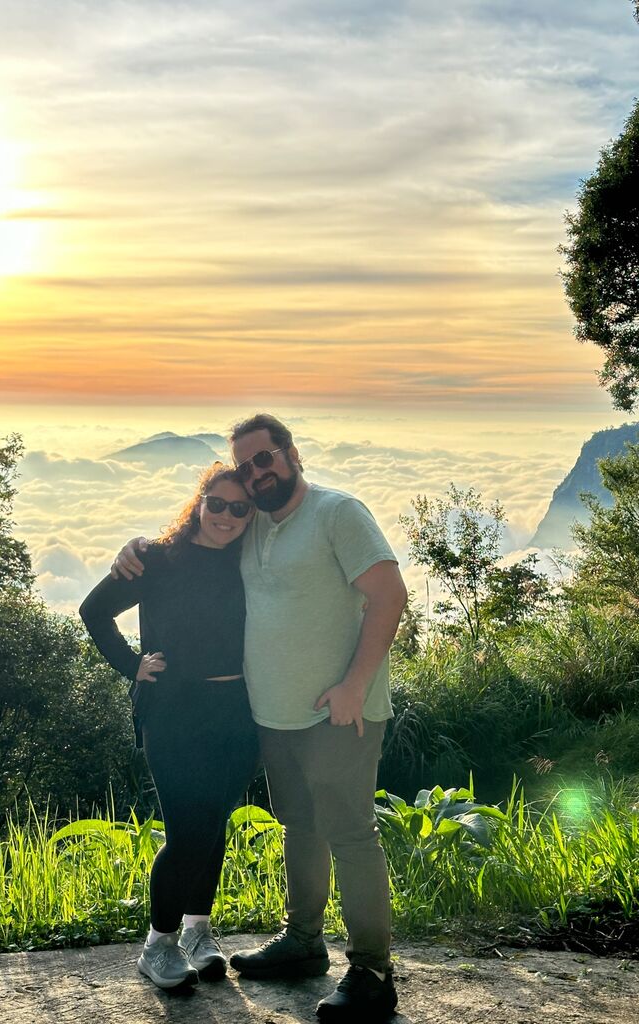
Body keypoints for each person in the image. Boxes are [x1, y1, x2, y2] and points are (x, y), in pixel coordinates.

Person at [114, 413, 408, 1022]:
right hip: (270, 716)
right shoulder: (254, 525)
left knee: (351, 834)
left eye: (264, 459)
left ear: (290, 453)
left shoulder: (337, 512)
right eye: (247, 467)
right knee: (299, 827)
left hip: (339, 712)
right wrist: (137, 548)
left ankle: (372, 970)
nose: (256, 474)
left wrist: (355, 685)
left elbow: (389, 595)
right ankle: (303, 942)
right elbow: (198, 543)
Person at [80, 464, 259, 991]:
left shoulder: (250, 560)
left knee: (215, 822)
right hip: (174, 709)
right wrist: (130, 663)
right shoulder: (157, 559)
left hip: (238, 709)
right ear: (199, 502)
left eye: (239, 507)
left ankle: (198, 933)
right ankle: (158, 945)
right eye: (218, 503)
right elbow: (94, 610)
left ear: (250, 515)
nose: (227, 516)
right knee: (188, 829)